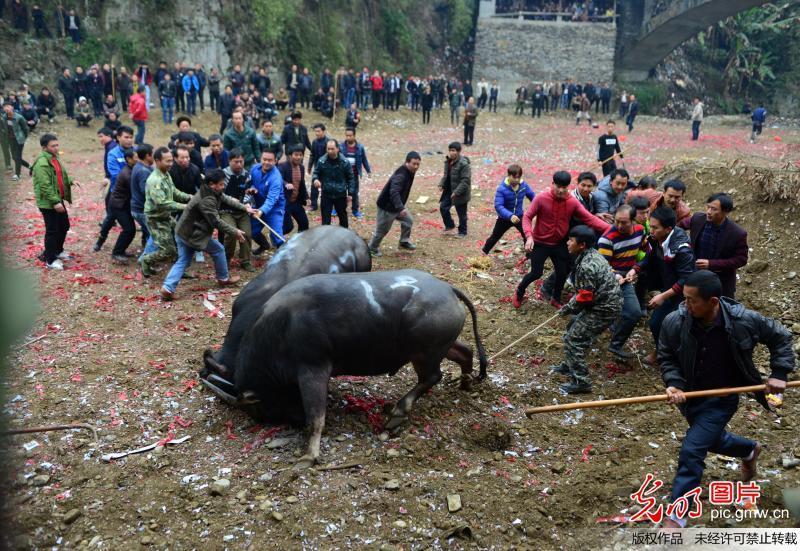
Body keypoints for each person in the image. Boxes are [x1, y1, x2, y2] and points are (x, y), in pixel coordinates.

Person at [659, 270, 795, 529]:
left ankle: (677, 516)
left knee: (692, 448)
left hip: (723, 398)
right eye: (684, 299)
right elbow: (667, 355)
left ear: (713, 301)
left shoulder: (744, 320)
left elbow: (780, 336)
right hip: (690, 397)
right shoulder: (675, 321)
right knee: (708, 438)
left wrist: (779, 373)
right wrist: (674, 383)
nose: (685, 305)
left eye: (691, 300)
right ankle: (748, 449)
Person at [514, 171, 610, 309]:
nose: (561, 190)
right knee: (536, 273)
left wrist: (611, 231)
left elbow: (589, 219)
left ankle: (556, 298)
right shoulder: (541, 198)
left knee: (563, 272)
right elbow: (527, 217)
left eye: (564, 187)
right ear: (552, 184)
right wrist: (529, 236)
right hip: (540, 243)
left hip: (559, 244)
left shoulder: (572, 202)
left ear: (568, 187)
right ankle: (519, 291)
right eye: (558, 186)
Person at [160, 169, 256, 300]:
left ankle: (167, 288)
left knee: (183, 260)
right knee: (218, 249)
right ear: (212, 184)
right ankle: (223, 278)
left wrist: (244, 208)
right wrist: (235, 231)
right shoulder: (207, 200)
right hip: (193, 234)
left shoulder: (210, 190)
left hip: (182, 230)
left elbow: (226, 199)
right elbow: (216, 221)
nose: (223, 187)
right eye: (221, 184)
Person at [549, 225, 622, 394]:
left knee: (574, 340)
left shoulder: (587, 266)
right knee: (572, 329)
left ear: (582, 245)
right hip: (601, 302)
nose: (567, 243)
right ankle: (570, 365)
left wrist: (566, 309)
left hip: (604, 308)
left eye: (571, 240)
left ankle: (582, 381)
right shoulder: (590, 255)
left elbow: (585, 297)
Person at [635, 206, 696, 365]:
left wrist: (664, 295)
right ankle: (662, 350)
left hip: (682, 293)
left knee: (675, 325)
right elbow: (650, 256)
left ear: (668, 229)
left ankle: (675, 356)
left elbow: (686, 279)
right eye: (651, 225)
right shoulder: (657, 238)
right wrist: (635, 269)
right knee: (656, 323)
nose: (651, 230)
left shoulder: (682, 249)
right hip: (667, 285)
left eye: (655, 227)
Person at [597, 205, 650, 359]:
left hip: (626, 275)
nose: (620, 226)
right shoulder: (607, 239)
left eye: (624, 222)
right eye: (617, 221)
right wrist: (615, 276)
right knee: (598, 312)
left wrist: (636, 269)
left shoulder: (640, 231)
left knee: (633, 313)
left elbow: (648, 251)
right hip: (609, 278)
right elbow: (602, 266)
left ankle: (616, 344)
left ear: (633, 221)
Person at [682, 193, 748, 299]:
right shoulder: (698, 219)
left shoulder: (737, 233)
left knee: (720, 308)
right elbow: (677, 227)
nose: (708, 212)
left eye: (714, 209)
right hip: (695, 274)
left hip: (721, 280)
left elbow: (741, 259)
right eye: (708, 207)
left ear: (725, 211)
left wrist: (712, 264)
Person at [138, 147, 191, 277]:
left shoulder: (166, 174)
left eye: (172, 160)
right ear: (157, 161)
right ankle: (146, 260)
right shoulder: (155, 180)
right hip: (156, 219)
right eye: (167, 161)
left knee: (181, 238)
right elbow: (163, 203)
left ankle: (179, 269)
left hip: (166, 216)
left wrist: (189, 197)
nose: (171, 164)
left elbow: (174, 191)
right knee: (168, 251)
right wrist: (185, 206)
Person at [32, 133, 75, 270]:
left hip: (57, 199)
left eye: (57, 145)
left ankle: (57, 250)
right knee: (52, 230)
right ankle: (50, 259)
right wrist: (56, 202)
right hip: (49, 202)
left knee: (64, 226)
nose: (56, 148)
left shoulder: (54, 158)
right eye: (53, 146)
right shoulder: (42, 163)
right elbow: (45, 185)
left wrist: (71, 181)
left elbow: (59, 177)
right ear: (44, 147)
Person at [368, 151, 421, 257]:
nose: (416, 166)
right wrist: (401, 208)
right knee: (382, 230)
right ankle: (372, 248)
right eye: (413, 164)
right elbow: (394, 192)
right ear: (407, 162)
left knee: (408, 221)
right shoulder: (401, 175)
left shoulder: (409, 171)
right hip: (387, 207)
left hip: (396, 206)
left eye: (418, 164)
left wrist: (399, 207)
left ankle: (404, 242)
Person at [482, 164, 534, 255]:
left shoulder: (523, 186)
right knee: (495, 237)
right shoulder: (502, 189)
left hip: (519, 217)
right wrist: (510, 216)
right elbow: (498, 206)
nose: (517, 180)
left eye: (519, 177)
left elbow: (533, 197)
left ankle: (529, 256)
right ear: (509, 176)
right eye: (514, 177)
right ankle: (484, 252)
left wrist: (537, 209)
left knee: (527, 235)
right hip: (504, 218)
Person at [220, 149, 255, 271]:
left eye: (241, 161)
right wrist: (230, 200)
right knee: (231, 233)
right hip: (226, 211)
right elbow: (219, 194)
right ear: (230, 161)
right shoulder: (223, 175)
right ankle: (226, 259)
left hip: (242, 211)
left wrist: (247, 203)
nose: (239, 164)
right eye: (236, 162)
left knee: (247, 233)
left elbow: (248, 192)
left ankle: (245, 260)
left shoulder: (247, 175)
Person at [312, 139, 354, 228]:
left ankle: (343, 237)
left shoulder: (345, 162)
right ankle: (326, 238)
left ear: (337, 149)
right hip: (326, 194)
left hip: (340, 194)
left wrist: (350, 193)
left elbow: (350, 178)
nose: (330, 151)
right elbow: (316, 173)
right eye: (328, 149)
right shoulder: (321, 161)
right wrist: (315, 179)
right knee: (325, 220)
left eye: (332, 149)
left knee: (343, 219)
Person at [250, 149, 286, 249]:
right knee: (251, 231)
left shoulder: (276, 178)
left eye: (270, 160)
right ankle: (264, 245)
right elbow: (250, 182)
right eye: (264, 159)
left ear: (275, 161)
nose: (266, 162)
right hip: (258, 205)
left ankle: (284, 257)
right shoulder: (254, 169)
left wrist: (261, 211)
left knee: (277, 236)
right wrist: (252, 188)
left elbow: (272, 199)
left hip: (274, 209)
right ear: (260, 159)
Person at [107, 149, 138, 263]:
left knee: (131, 229)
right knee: (129, 229)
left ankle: (121, 250)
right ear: (129, 159)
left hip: (124, 204)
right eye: (136, 157)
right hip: (118, 205)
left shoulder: (132, 169)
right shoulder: (127, 174)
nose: (139, 159)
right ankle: (117, 253)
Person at [439, 142, 471, 238]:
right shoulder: (448, 162)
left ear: (458, 151)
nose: (451, 153)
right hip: (449, 190)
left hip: (460, 193)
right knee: (443, 207)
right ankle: (449, 225)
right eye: (450, 150)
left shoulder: (464, 164)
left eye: (453, 151)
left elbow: (465, 181)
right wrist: (441, 184)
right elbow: (446, 175)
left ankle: (463, 232)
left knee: (461, 214)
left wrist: (457, 192)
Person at [339, 127, 371, 219]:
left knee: (354, 193)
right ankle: (338, 208)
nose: (348, 137)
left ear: (354, 136)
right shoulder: (341, 146)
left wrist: (368, 171)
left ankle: (355, 210)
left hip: (354, 175)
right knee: (341, 192)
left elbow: (364, 159)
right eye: (347, 135)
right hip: (343, 174)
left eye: (350, 135)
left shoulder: (360, 147)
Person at [278, 145, 309, 236]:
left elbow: (301, 184)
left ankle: (299, 242)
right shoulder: (282, 166)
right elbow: (278, 179)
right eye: (296, 155)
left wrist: (307, 197)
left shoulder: (301, 167)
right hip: (285, 202)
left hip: (296, 202)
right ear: (290, 155)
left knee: (304, 223)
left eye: (300, 155)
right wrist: (286, 184)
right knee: (288, 227)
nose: (298, 157)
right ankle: (276, 236)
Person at [130, 143, 154, 252]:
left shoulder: (139, 166)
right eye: (153, 154)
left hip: (138, 208)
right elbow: (145, 191)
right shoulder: (143, 171)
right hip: (141, 210)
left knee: (150, 233)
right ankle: (146, 260)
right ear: (147, 156)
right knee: (155, 236)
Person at [2, 102, 29, 182]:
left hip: (19, 140)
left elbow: (25, 129)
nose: (6, 108)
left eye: (8, 106)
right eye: (5, 107)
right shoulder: (4, 117)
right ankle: (31, 167)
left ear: (12, 107)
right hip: (10, 140)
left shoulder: (19, 117)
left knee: (17, 157)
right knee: (15, 157)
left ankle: (18, 174)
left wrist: (23, 137)